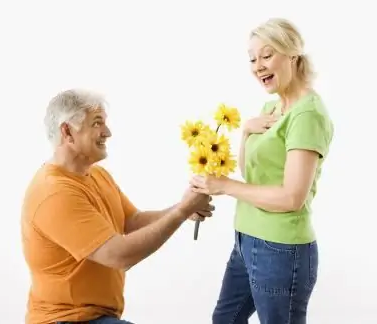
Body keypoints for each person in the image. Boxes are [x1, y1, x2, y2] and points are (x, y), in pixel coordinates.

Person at [20, 89, 214, 324]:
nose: (108, 132)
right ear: (67, 132)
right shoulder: (54, 193)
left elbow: (131, 222)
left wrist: (182, 208)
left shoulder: (96, 175)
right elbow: (120, 255)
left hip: (96, 317)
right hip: (66, 320)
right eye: (97, 123)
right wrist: (181, 211)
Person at [189, 18, 334, 324]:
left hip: (282, 249)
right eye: (252, 59)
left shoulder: (307, 115)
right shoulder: (272, 109)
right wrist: (245, 133)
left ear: (292, 55)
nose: (258, 66)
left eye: (267, 55)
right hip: (247, 239)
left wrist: (224, 186)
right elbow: (251, 171)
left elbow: (292, 197)